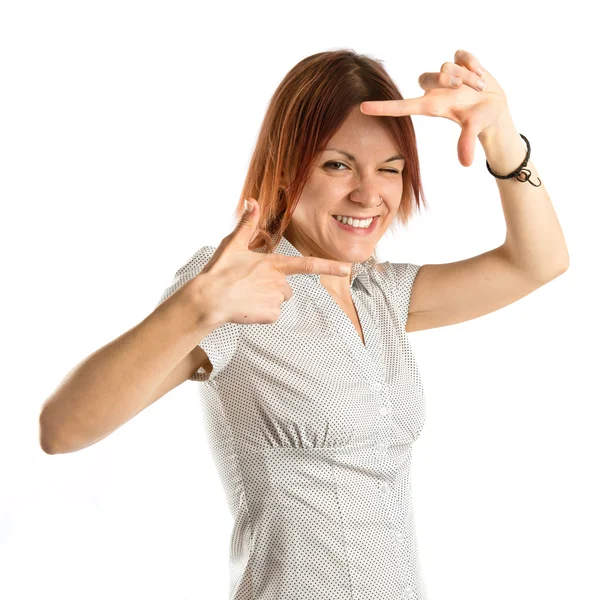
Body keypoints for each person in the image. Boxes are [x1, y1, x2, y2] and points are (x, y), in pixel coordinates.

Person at [39, 49, 568, 600]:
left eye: (389, 169)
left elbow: (538, 262)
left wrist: (500, 135)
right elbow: (63, 430)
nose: (369, 194)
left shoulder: (378, 293)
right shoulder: (237, 286)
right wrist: (193, 307)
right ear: (286, 166)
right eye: (337, 164)